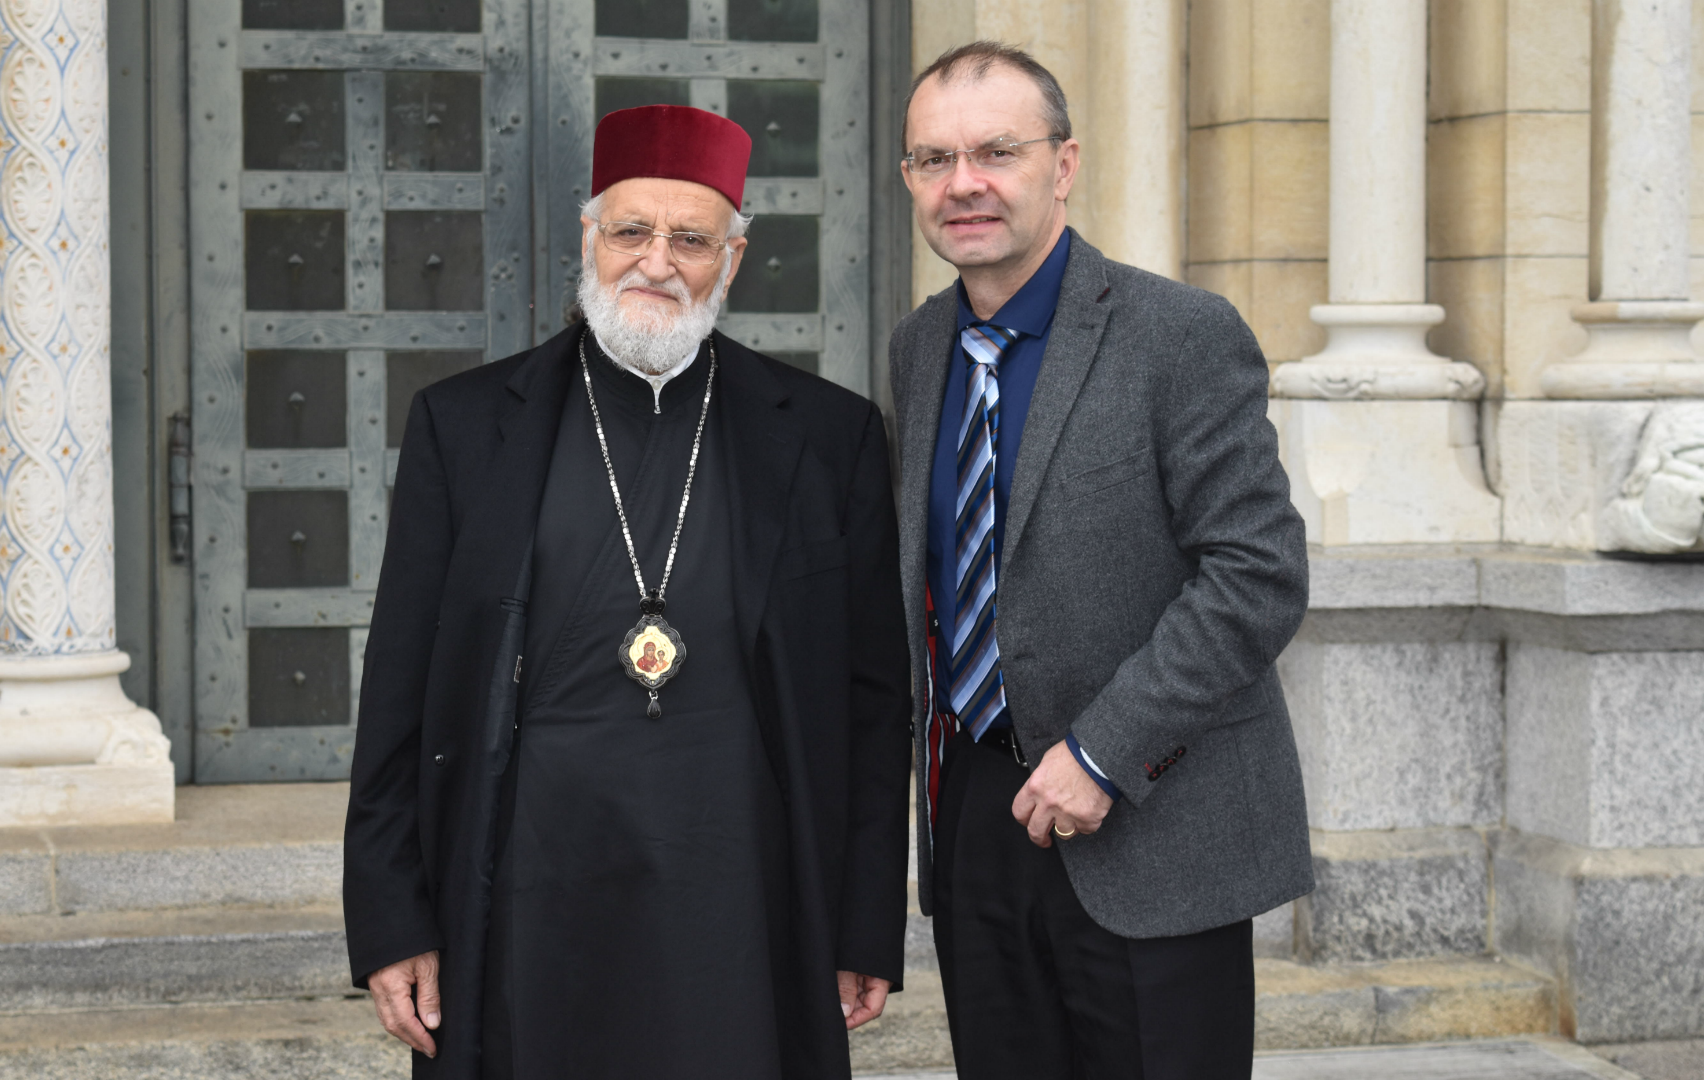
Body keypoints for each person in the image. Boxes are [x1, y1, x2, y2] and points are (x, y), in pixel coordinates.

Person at [344, 103, 913, 1080]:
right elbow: (399, 691)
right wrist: (393, 917)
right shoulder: (466, 427)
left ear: (732, 259)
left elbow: (871, 706)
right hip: (531, 883)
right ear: (589, 238)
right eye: (632, 231)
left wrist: (864, 925)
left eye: (690, 238)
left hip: (743, 892)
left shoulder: (827, 436)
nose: (657, 261)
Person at [889, 43, 1314, 1079]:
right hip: (977, 826)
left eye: (996, 151)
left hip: (1147, 821)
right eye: (932, 159)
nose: (964, 185)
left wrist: (1102, 755)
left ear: (1064, 163)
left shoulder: (1179, 335)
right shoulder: (917, 349)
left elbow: (1257, 574)